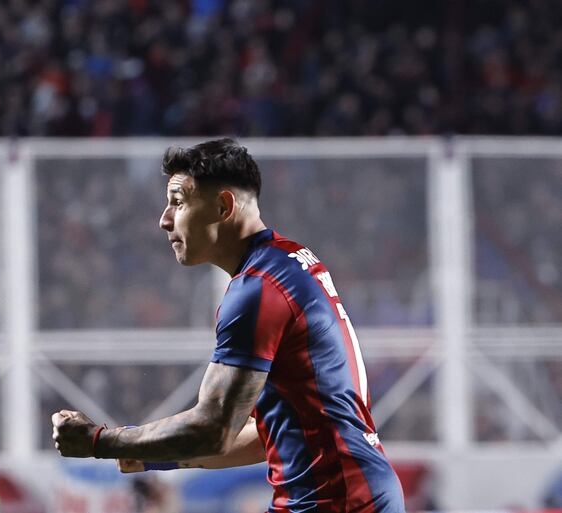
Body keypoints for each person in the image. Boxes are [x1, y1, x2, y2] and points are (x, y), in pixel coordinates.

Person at [52, 138, 406, 513]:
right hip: (354, 493)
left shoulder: (258, 289)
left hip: (336, 501)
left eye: (178, 202)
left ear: (223, 206)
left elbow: (214, 429)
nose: (164, 219)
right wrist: (146, 457)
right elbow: (260, 434)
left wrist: (99, 442)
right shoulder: (287, 261)